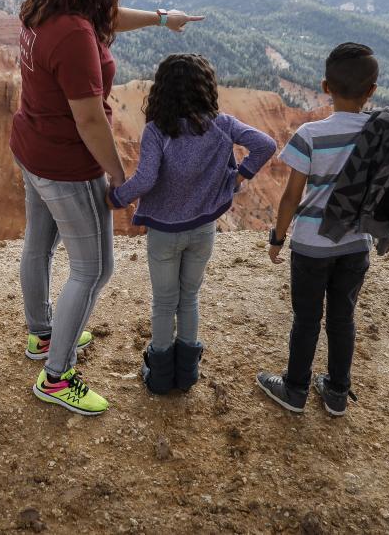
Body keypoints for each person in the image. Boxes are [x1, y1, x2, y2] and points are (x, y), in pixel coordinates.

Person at [11, 0, 204, 416]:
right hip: (67, 164)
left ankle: (41, 333)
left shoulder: (43, 9)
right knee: (94, 269)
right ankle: (56, 376)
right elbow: (91, 121)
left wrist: (163, 18)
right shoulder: (74, 34)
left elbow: (105, 18)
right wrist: (122, 179)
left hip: (32, 146)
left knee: (38, 244)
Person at [107, 54, 275, 395]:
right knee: (190, 298)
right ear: (205, 88)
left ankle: (159, 377)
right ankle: (186, 376)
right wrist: (238, 177)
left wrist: (117, 198)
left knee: (164, 302)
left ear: (163, 91)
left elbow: (146, 178)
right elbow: (265, 144)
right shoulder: (222, 125)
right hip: (203, 231)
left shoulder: (157, 131)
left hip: (165, 234)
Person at [257, 42, 380, 417]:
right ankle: (337, 392)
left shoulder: (310, 134)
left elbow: (292, 196)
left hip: (311, 246)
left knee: (307, 318)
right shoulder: (379, 134)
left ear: (326, 87)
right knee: (343, 317)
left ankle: (295, 389)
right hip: (355, 244)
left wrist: (278, 238)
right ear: (372, 90)